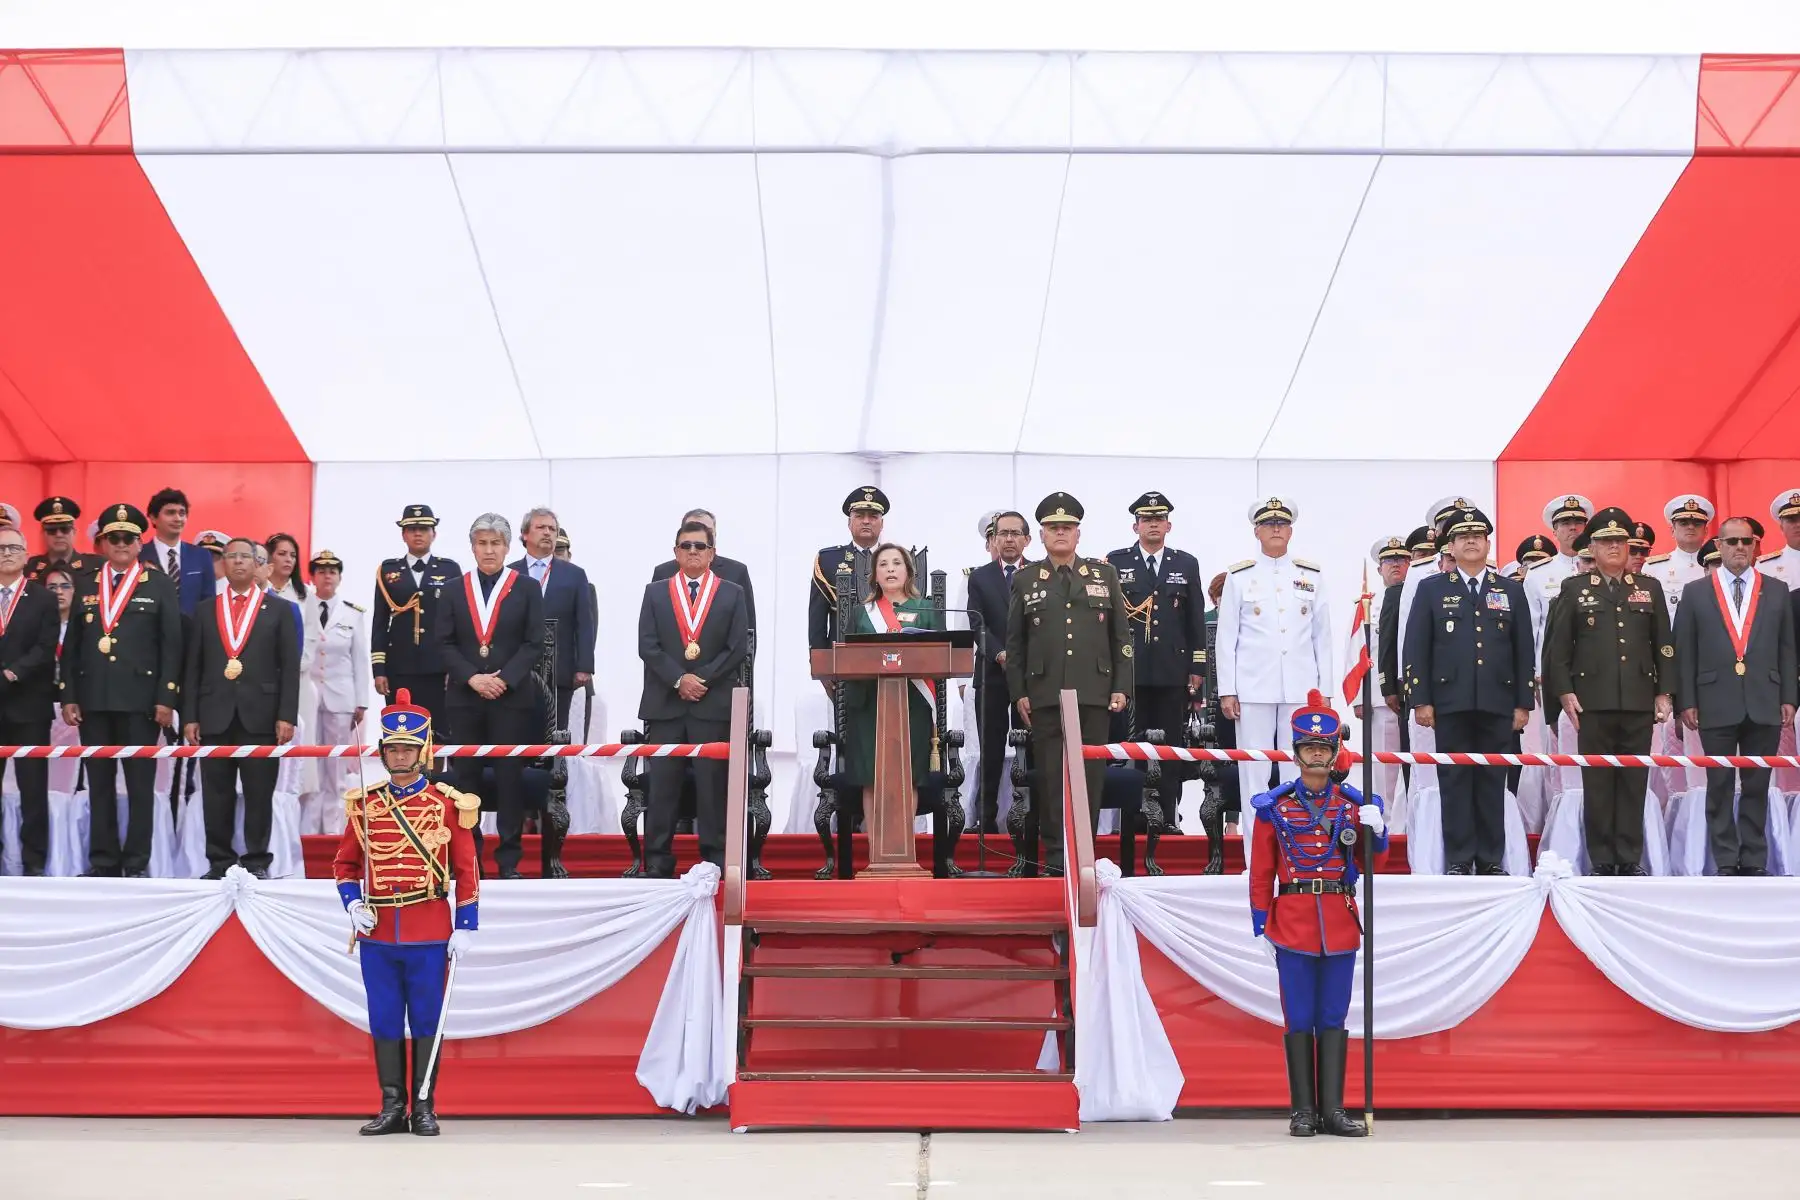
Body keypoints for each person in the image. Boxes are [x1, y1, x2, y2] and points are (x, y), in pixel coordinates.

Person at [334, 689, 479, 1136]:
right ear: (382, 753)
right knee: (383, 1017)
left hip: (429, 928)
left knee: (426, 1019)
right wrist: (353, 903)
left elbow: (467, 869)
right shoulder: (365, 805)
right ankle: (392, 1106)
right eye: (392, 749)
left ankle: (424, 1108)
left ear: (424, 751)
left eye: (407, 749)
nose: (399, 757)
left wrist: (466, 924)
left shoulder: (447, 804)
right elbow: (345, 864)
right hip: (378, 932)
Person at [1248, 690, 1386, 1138]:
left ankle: (1333, 1110)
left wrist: (1377, 833)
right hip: (1292, 921)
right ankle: (1302, 1111)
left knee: (1334, 1016)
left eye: (1324, 749)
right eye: (1309, 748)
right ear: (1296, 753)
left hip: (1340, 920)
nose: (1316, 756)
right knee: (1299, 1017)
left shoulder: (1351, 806)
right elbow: (1262, 868)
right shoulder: (1277, 807)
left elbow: (1369, 866)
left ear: (1334, 754)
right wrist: (1260, 915)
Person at [1542, 508, 1674, 876]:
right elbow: (1558, 650)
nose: (1614, 547)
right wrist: (1564, 693)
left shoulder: (1649, 587)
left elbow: (1663, 644)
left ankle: (1629, 859)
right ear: (1592, 547)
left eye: (1620, 541)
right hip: (1591, 701)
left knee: (1634, 782)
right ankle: (1602, 860)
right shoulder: (1575, 588)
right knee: (1597, 783)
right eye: (1605, 541)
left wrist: (1665, 693)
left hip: (1638, 699)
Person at [1004, 493, 1131, 877]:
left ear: (1078, 534)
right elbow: (1015, 644)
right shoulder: (1026, 579)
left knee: (1090, 776)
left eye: (1068, 528)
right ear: (1041, 535)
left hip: (1094, 690)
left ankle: (1084, 854)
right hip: (1044, 694)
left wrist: (1121, 685)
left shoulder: (1103, 575)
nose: (1061, 533)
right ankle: (1057, 855)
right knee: (1051, 774)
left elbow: (1120, 637)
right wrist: (1019, 692)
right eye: (1053, 528)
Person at [1402, 507, 1534, 875]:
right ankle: (1460, 859)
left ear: (1489, 544)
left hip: (1498, 702)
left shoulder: (1509, 590)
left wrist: (1523, 702)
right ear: (1451, 547)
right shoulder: (1432, 589)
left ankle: (1491, 859)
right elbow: (1416, 647)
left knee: (1493, 780)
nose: (1471, 541)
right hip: (1449, 703)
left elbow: (1524, 649)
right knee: (1455, 781)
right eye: (1463, 537)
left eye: (1478, 536)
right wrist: (1421, 700)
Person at [61, 504, 182, 877]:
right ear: (102, 543)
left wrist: (166, 698)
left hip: (141, 702)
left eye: (128, 537)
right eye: (114, 537)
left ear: (139, 542)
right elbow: (73, 646)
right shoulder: (86, 583)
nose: (121, 544)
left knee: (140, 785)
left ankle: (136, 860)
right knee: (98, 785)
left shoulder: (158, 583)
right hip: (94, 700)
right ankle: (104, 861)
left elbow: (171, 646)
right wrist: (69, 695)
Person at [1676, 516, 1796, 876]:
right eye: (1732, 542)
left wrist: (1789, 696)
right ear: (1718, 546)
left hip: (1765, 699)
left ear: (1756, 545)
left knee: (1759, 784)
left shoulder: (1776, 589)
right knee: (1719, 784)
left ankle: (1755, 859)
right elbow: (1685, 651)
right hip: (1715, 699)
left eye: (1746, 541)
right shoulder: (1696, 591)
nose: (1740, 548)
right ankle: (1726, 859)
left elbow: (1787, 648)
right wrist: (1687, 700)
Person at [635, 519, 748, 876]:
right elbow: (647, 645)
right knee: (662, 787)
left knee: (712, 786)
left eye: (700, 546)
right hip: (666, 704)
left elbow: (737, 648)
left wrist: (701, 679)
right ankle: (656, 860)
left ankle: (714, 859)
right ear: (675, 552)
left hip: (711, 703)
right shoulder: (656, 592)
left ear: (712, 553)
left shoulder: (732, 593)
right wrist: (678, 679)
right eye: (686, 546)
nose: (693, 552)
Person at [182, 537, 300, 879]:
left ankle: (257, 861)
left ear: (258, 564)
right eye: (230, 556)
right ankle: (219, 861)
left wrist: (286, 715)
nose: (237, 562)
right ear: (223, 564)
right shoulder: (206, 609)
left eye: (244, 557)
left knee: (259, 792)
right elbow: (194, 667)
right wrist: (190, 715)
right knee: (216, 794)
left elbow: (288, 667)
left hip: (262, 713)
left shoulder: (278, 609)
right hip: (214, 712)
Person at [1217, 496, 1333, 827]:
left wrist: (1324, 689)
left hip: (1300, 686)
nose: (1276, 529)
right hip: (1253, 686)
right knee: (1253, 770)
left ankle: (1295, 845)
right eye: (1269, 524)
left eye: (1282, 524)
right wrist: (1228, 689)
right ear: (1257, 532)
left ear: (1291, 531)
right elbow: (1227, 638)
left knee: (1298, 768)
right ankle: (1257, 857)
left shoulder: (1311, 575)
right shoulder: (1239, 576)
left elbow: (1321, 637)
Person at [438, 513, 542, 879]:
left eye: (496, 543)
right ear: (472, 547)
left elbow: (534, 644)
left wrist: (504, 679)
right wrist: (473, 679)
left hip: (511, 698)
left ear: (508, 547)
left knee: (510, 777)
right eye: (482, 543)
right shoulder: (452, 589)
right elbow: (444, 644)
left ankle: (510, 861)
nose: (489, 550)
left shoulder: (527, 587)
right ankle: (470, 860)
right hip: (465, 698)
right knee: (466, 780)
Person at [1107, 491, 1206, 795]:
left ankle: (1168, 814)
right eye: (1146, 519)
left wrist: (1197, 666)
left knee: (1171, 746)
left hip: (1171, 670)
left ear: (1168, 526)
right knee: (1133, 744)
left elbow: (1195, 620)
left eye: (1159, 519)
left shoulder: (1186, 564)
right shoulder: (1115, 561)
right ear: (1135, 526)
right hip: (1131, 670)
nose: (1153, 524)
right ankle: (1136, 814)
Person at [1645, 495, 1714, 804]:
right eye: (1683, 522)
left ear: (1706, 528)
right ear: (1671, 528)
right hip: (1668, 666)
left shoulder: (1719, 563)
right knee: (1671, 751)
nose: (1690, 527)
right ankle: (1676, 815)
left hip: (1710, 669)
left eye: (1696, 523)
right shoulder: (1656, 569)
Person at [965, 510, 1031, 833]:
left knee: (1027, 746)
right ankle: (985, 815)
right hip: (991, 673)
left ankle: (1027, 813)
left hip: (1031, 677)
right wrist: (1000, 653)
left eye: (1015, 533)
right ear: (993, 539)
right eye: (1002, 533)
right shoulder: (980, 577)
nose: (1008, 539)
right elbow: (977, 624)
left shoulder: (1039, 574)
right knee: (990, 749)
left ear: (1027, 540)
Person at [372, 504, 463, 732]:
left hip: (439, 667)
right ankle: (406, 770)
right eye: (411, 529)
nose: (418, 533)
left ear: (434, 533)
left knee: (439, 733)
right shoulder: (388, 571)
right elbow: (380, 624)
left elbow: (459, 623)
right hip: (399, 667)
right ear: (403, 534)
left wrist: (456, 667)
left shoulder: (450, 570)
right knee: (402, 731)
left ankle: (438, 771)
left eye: (424, 528)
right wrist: (379, 670)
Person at [0, 525, 59, 875]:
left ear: (25, 555)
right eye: (1, 548)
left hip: (29, 705)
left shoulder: (43, 598)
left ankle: (34, 862)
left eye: (13, 548)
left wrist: (11, 673)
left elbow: (45, 646)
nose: (7, 553)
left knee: (33, 790)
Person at [301, 550, 370, 836]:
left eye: (332, 570)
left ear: (340, 577)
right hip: (307, 696)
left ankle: (332, 831)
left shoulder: (352, 612)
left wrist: (362, 702)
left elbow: (360, 660)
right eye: (321, 570)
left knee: (336, 768)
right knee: (307, 764)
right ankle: (306, 828)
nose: (327, 575)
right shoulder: (303, 607)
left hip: (341, 698)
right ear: (312, 576)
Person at [512, 506, 596, 730]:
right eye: (541, 527)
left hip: (560, 668)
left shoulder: (574, 574)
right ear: (525, 534)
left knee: (556, 732)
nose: (548, 533)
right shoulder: (510, 573)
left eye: (552, 528)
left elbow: (585, 623)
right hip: (516, 670)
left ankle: (555, 767)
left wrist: (584, 665)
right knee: (519, 730)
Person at [653, 508, 756, 653]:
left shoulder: (736, 572)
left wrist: (746, 672)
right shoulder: (664, 573)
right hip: (672, 670)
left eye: (706, 531)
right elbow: (653, 633)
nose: (699, 537)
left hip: (721, 670)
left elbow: (747, 631)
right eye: (693, 528)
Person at [809, 486, 887, 653]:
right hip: (842, 655)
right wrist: (820, 660)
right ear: (849, 523)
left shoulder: (897, 561)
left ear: (882, 524)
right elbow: (817, 617)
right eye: (859, 516)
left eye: (873, 516)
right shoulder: (829, 560)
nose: (866, 521)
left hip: (889, 653)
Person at [1365, 535, 1411, 807]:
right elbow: (1357, 652)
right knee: (1384, 766)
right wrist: (1361, 700)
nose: (1396, 565)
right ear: (1379, 567)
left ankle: (1404, 822)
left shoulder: (1419, 597)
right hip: (1378, 698)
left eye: (1402, 560)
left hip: (1412, 694)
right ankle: (1381, 821)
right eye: (1389, 561)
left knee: (1413, 762)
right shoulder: (1367, 605)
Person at [138, 487, 212, 617]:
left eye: (182, 513)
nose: (178, 518)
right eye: (170, 513)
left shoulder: (201, 556)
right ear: (153, 518)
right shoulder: (138, 555)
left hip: (191, 633)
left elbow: (209, 602)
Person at [24, 497, 92, 582]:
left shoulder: (94, 566)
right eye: (51, 530)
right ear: (43, 534)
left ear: (74, 532)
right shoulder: (28, 569)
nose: (59, 535)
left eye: (65, 529)